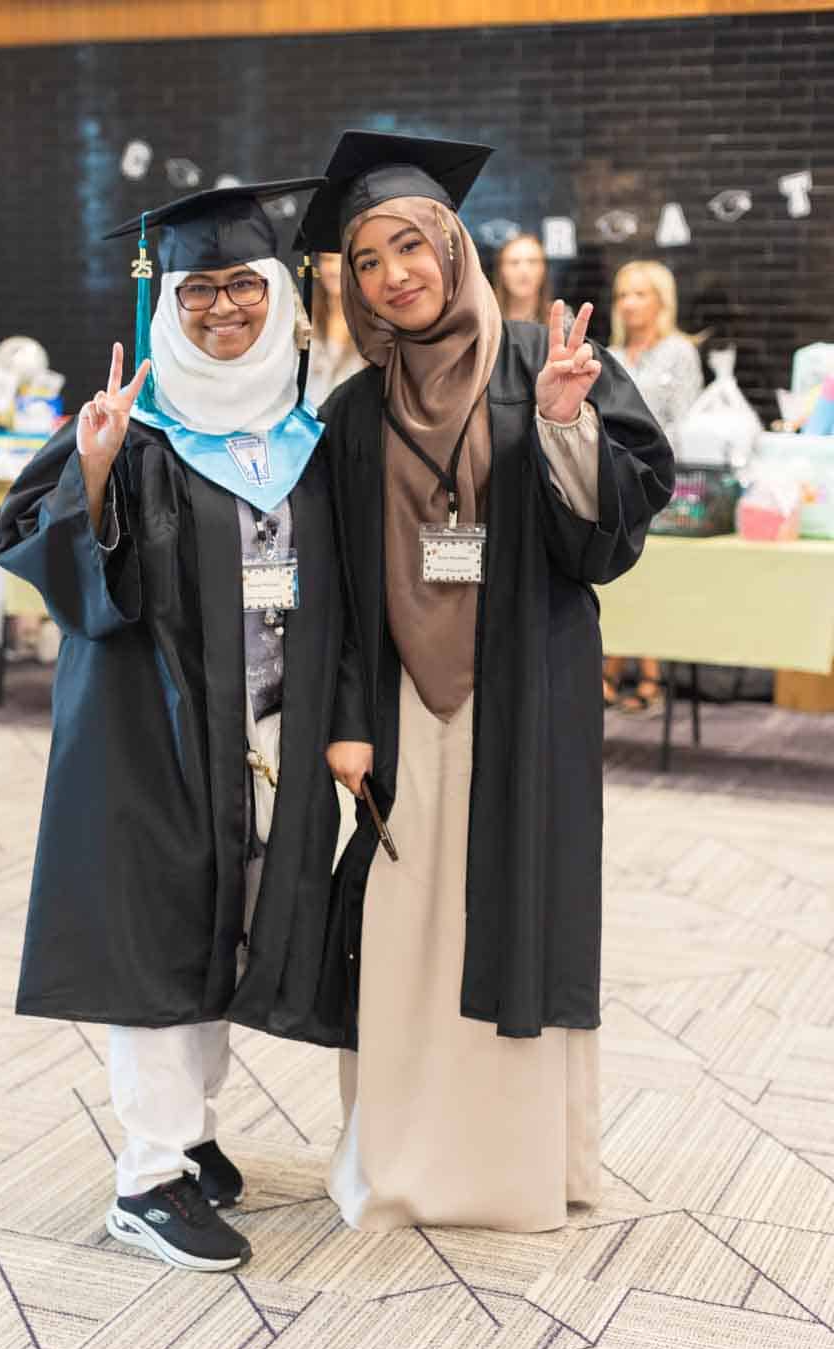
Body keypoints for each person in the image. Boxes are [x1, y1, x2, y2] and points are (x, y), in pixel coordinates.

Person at [298, 132, 673, 1234]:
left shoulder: (537, 362)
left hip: (525, 696)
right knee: (407, 928)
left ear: (452, 248)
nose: (391, 275)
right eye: (365, 261)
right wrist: (346, 722)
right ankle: (403, 1160)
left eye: (409, 245)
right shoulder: (354, 414)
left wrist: (562, 422)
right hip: (403, 712)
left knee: (516, 910)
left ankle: (516, 1169)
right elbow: (341, 587)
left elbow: (610, 538)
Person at [0, 179, 348, 1273]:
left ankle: (186, 1135)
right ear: (167, 300)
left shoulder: (302, 432)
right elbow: (49, 562)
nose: (225, 307)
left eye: (247, 283)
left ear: (283, 297)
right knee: (155, 937)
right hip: (147, 737)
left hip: (263, 733)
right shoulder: (125, 427)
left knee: (224, 929)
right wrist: (92, 476)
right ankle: (145, 1180)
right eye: (201, 289)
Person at [604, 259, 705, 711]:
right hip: (611, 480)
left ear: (661, 300)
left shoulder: (679, 351)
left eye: (639, 294)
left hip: (662, 482)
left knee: (652, 578)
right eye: (622, 294)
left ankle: (649, 675)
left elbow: (684, 422)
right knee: (617, 577)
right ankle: (612, 668)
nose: (628, 304)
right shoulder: (610, 354)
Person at [305, 251, 368, 408]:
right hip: (305, 426)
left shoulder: (373, 328)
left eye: (343, 262)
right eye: (327, 259)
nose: (333, 269)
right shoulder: (303, 319)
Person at [493, 231, 554, 324]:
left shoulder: (560, 316)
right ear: (501, 270)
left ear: (544, 269)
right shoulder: (484, 319)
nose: (523, 270)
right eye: (514, 262)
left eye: (532, 261)